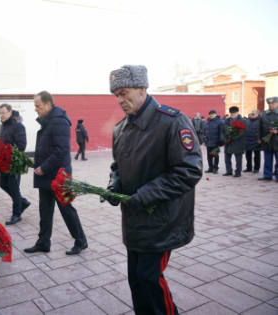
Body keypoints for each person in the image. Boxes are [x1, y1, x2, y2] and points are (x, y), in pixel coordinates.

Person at [104, 65, 202, 315]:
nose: (120, 100)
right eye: (116, 95)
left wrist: (145, 194)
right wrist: (114, 183)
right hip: (134, 220)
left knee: (150, 278)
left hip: (161, 220)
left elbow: (188, 170)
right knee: (136, 280)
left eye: (124, 93)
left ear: (142, 89)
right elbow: (117, 166)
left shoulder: (172, 121)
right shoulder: (120, 128)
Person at [24, 91, 88, 255]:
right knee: (45, 210)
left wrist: (43, 167)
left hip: (59, 175)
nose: (36, 109)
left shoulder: (59, 121)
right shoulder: (48, 121)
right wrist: (36, 163)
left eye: (38, 106)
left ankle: (81, 241)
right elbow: (47, 148)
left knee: (66, 208)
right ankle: (43, 242)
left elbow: (62, 151)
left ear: (47, 104)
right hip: (46, 175)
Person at [0, 104, 31, 225]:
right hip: (3, 162)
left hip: (14, 163)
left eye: (4, 113)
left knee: (13, 187)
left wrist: (8, 150)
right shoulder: (3, 126)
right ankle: (22, 202)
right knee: (3, 184)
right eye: (0, 113)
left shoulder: (18, 126)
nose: (1, 115)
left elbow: (22, 145)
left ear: (10, 112)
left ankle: (16, 214)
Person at [258, 96, 278, 181]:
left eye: (273, 103)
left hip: (277, 141)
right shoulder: (264, 114)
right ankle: (267, 175)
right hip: (267, 141)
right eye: (269, 103)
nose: (271, 105)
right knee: (267, 160)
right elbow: (259, 127)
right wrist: (259, 138)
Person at [223, 106, 246, 177]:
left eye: (234, 113)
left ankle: (238, 172)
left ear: (237, 112)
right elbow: (224, 129)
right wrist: (227, 137)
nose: (232, 114)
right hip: (228, 142)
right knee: (227, 157)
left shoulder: (242, 120)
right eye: (231, 113)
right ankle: (229, 171)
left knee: (238, 158)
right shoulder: (227, 120)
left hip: (238, 142)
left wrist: (234, 137)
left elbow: (243, 132)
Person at [204, 110, 224, 174]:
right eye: (210, 114)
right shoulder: (207, 122)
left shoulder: (219, 122)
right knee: (209, 156)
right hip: (208, 142)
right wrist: (204, 139)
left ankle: (215, 168)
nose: (211, 115)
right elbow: (205, 131)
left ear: (215, 114)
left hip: (216, 142)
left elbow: (221, 132)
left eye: (213, 114)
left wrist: (221, 140)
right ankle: (210, 168)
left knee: (215, 156)